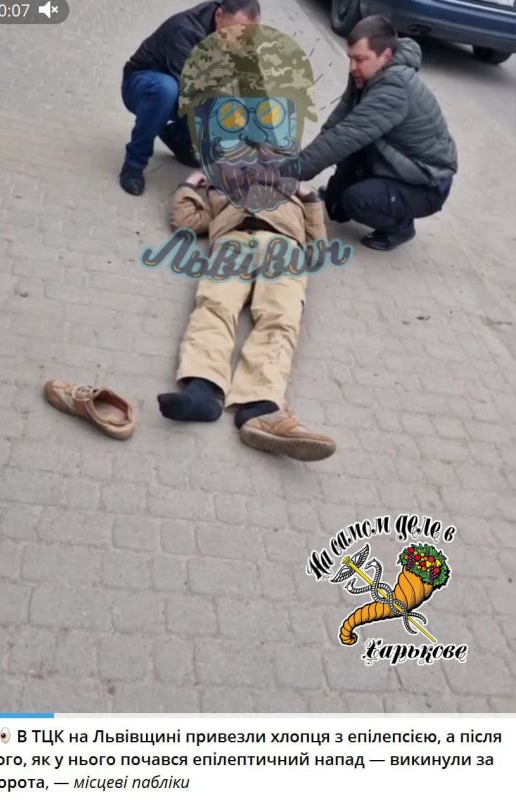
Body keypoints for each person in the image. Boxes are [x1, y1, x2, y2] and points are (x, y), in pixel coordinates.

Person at [156, 170, 337, 462]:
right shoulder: (222, 192)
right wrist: (190, 184)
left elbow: (318, 249)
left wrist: (309, 196)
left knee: (280, 318)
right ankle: (202, 388)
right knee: (214, 307)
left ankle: (260, 405)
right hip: (233, 242)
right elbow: (185, 223)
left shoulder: (294, 196)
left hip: (284, 247)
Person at [292, 15, 458, 251]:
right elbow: (337, 126)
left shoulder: (394, 88)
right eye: (350, 58)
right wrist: (297, 166)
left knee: (354, 201)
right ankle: (362, 193)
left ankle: (401, 226)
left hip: (425, 183)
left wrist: (287, 173)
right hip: (397, 162)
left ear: (386, 56)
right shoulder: (366, 75)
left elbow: (344, 138)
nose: (352, 67)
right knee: (336, 208)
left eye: (360, 59)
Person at [120, 0, 261, 196]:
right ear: (219, 15)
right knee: (168, 91)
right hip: (143, 86)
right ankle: (134, 163)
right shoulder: (185, 30)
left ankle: (178, 137)